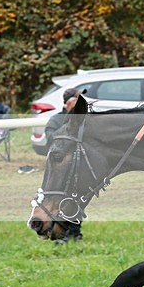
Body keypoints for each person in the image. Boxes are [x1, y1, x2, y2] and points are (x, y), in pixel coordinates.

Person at [44, 87, 86, 242]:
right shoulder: (56, 120)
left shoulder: (82, 121)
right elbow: (51, 140)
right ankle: (58, 233)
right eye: (77, 101)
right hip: (60, 171)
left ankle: (75, 233)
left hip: (77, 169)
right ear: (68, 104)